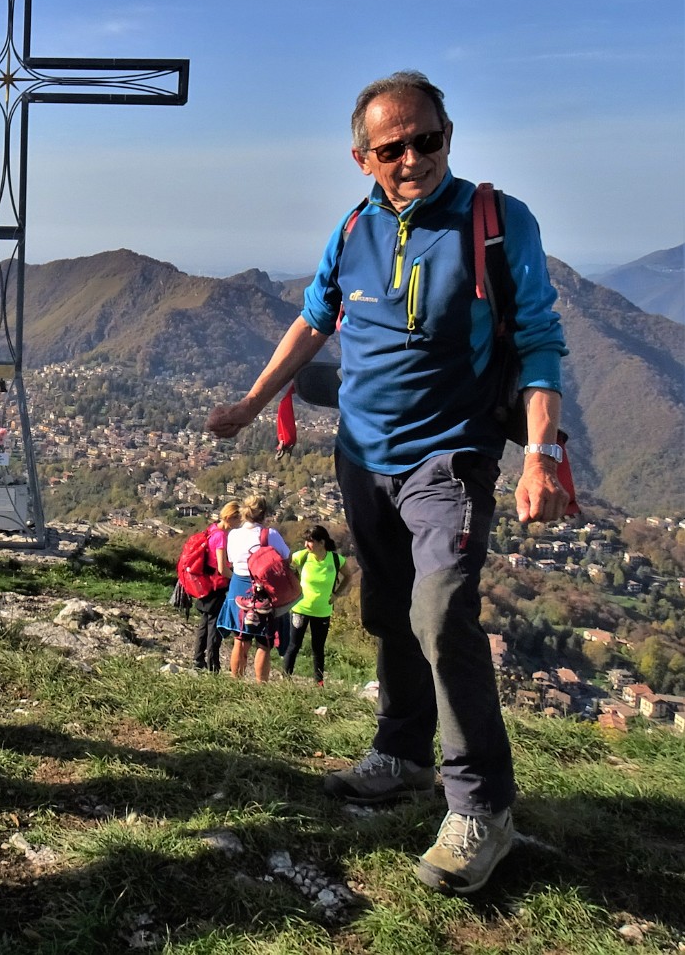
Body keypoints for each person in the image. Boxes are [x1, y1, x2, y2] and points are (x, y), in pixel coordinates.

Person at [205, 71, 569, 895]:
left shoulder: (496, 222)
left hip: (451, 457)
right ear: (362, 157)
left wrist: (541, 455)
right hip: (363, 457)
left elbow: (542, 337)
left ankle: (481, 806)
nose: (413, 159)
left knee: (441, 612)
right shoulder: (355, 227)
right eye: (392, 147)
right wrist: (253, 402)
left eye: (427, 139)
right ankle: (403, 752)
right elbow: (315, 316)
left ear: (448, 133)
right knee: (387, 611)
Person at [215, 495, 289, 683]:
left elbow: (230, 560)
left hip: (238, 586)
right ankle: (260, 685)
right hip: (263, 589)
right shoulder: (269, 535)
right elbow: (286, 556)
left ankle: (235, 680)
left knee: (241, 638)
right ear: (264, 513)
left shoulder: (233, 534)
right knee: (264, 641)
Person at [282, 525, 348, 685]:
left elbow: (348, 576)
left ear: (321, 542)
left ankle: (319, 683)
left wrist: (337, 594)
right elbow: (284, 567)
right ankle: (285, 680)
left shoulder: (335, 560)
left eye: (310, 542)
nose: (306, 545)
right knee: (293, 646)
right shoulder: (302, 557)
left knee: (318, 648)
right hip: (300, 609)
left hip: (322, 611)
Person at [192, 502, 240, 671]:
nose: (239, 522)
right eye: (237, 518)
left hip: (206, 583)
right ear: (230, 518)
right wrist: (236, 578)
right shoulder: (221, 536)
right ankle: (213, 664)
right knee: (214, 625)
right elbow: (221, 568)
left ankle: (198, 659)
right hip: (216, 585)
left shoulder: (212, 529)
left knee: (204, 622)